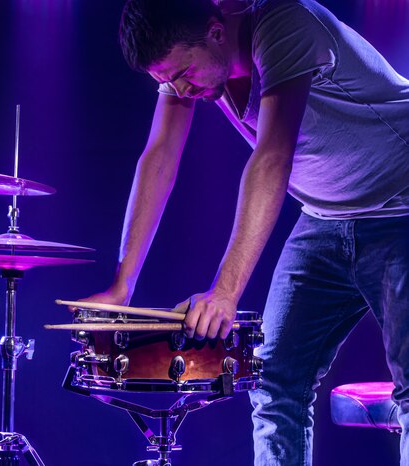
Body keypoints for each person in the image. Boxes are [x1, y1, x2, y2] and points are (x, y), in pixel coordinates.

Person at [81, 0, 409, 464]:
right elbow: (158, 160)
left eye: (182, 73)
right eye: (165, 81)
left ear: (216, 32)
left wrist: (225, 293)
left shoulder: (285, 24)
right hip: (325, 216)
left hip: (402, 205)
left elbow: (273, 156)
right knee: (273, 383)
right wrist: (122, 286)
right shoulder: (189, 66)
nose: (179, 88)